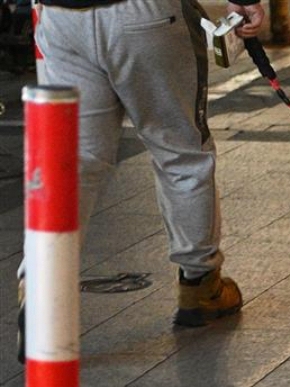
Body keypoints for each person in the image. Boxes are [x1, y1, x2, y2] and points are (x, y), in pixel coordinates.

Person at [17, 0, 265, 362]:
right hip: (147, 16)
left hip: (61, 19)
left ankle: (40, 286)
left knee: (74, 159)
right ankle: (200, 285)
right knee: (180, 152)